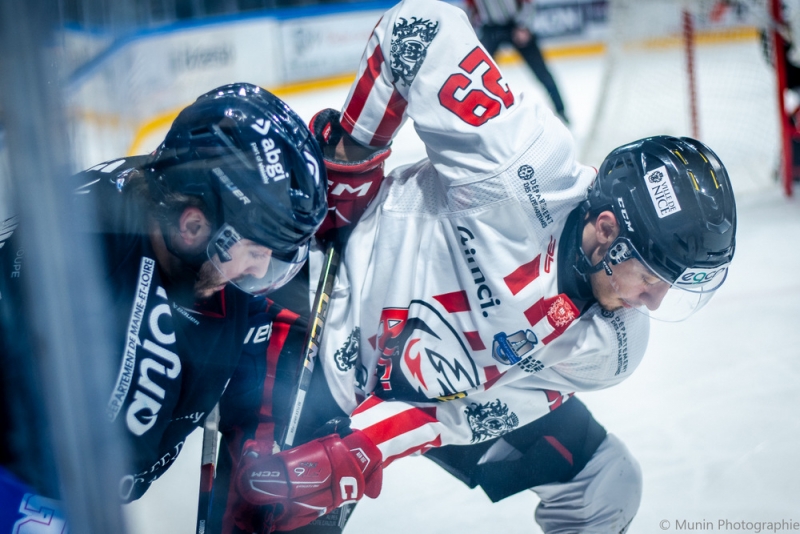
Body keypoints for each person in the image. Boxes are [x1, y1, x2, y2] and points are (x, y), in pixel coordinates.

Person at [227, 1, 737, 533]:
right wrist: (353, 160)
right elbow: (418, 29)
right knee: (253, 514)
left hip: (412, 387)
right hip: (314, 308)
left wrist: (358, 452)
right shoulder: (521, 166)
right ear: (606, 230)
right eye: (654, 275)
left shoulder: (613, 348)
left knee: (606, 483)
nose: (654, 302)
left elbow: (473, 409)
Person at [0, 83, 328, 531]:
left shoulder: (204, 260)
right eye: (257, 248)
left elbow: (254, 353)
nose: (260, 268)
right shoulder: (71, 258)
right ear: (192, 226)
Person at [465, 0, 570, 125]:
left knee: (541, 72)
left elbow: (529, 3)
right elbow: (471, 9)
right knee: (478, 74)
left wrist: (524, 26)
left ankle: (561, 111)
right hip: (490, 28)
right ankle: (476, 119)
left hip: (516, 24)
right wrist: (470, 31)